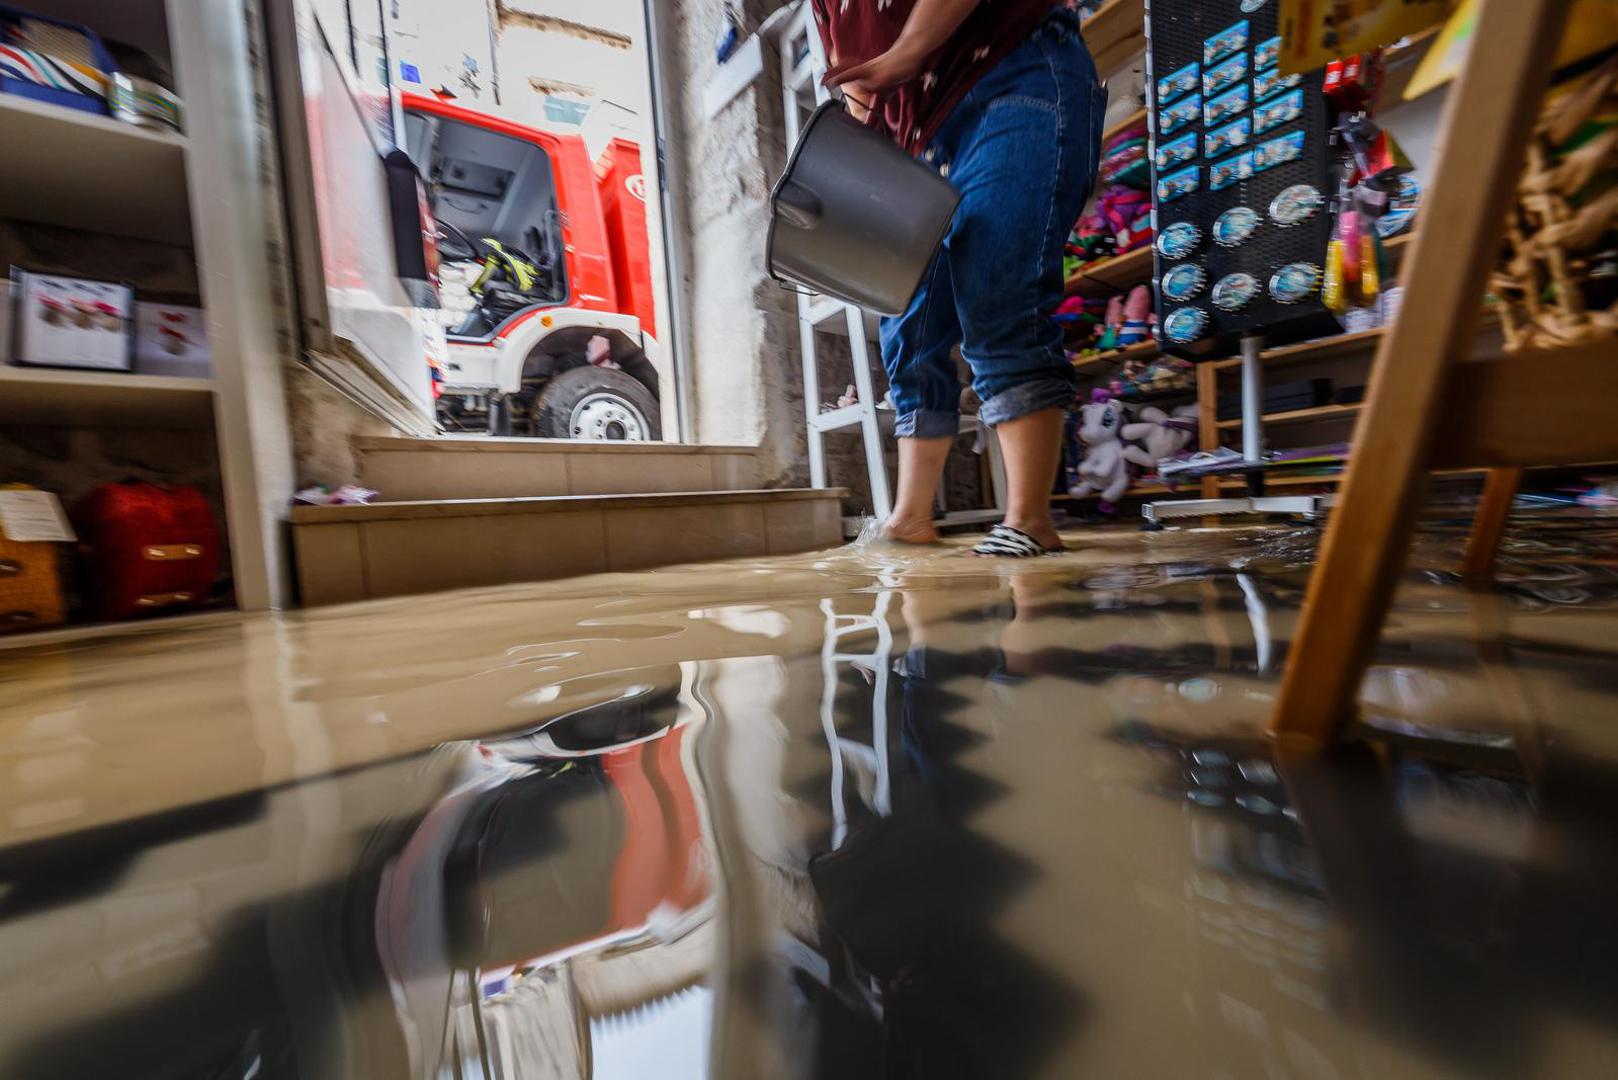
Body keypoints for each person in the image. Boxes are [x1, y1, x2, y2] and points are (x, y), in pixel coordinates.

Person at [812, 0, 1104, 557]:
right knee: (908, 320)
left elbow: (892, 60)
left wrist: (906, 54)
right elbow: (860, 86)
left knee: (997, 280)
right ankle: (911, 517)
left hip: (1015, 70)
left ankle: (1029, 519)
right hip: (920, 140)